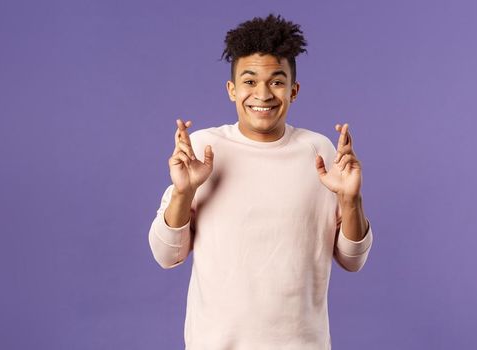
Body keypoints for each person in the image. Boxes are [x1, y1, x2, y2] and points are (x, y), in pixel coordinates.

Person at [147, 14, 374, 349]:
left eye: (277, 81)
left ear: (294, 91)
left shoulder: (320, 152)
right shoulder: (203, 149)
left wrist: (351, 200)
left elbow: (352, 261)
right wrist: (184, 191)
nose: (263, 94)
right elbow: (166, 255)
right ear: (232, 89)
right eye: (250, 81)